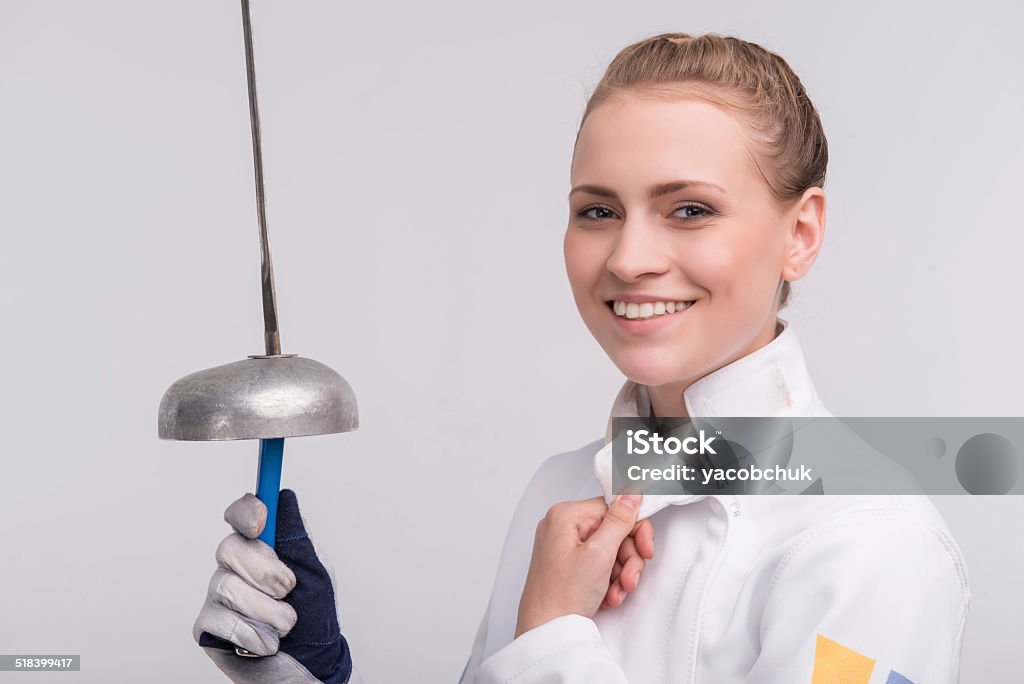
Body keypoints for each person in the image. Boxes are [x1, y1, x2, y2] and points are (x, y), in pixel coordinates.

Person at [193, 32, 970, 683]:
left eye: (689, 210)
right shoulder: (559, 491)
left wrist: (552, 639)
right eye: (597, 211)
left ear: (799, 234)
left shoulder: (872, 542)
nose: (629, 258)